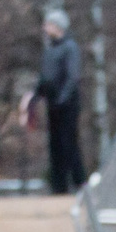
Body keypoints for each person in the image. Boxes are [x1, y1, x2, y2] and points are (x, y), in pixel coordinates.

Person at [28, 11, 84, 194]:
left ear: (58, 26)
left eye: (48, 24)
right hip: (53, 104)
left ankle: (79, 183)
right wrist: (34, 97)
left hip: (67, 105)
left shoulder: (70, 47)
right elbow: (45, 78)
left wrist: (63, 98)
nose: (45, 28)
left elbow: (72, 77)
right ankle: (58, 187)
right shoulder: (50, 50)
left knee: (69, 143)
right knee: (55, 146)